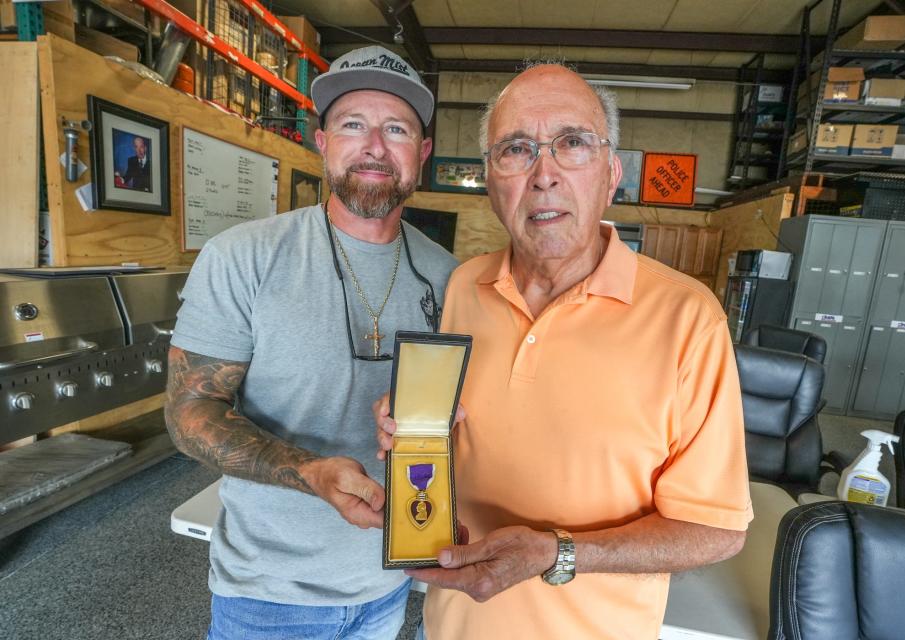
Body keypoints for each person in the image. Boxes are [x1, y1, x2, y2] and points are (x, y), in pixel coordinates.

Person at [376, 63, 754, 639]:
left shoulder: (688, 318)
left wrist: (559, 552)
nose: (543, 174)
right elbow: (462, 437)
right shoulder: (463, 288)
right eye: (517, 149)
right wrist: (413, 427)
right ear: (490, 180)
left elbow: (716, 529)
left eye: (572, 143)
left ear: (611, 173)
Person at [165, 45, 458, 640]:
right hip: (268, 595)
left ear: (421, 154)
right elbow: (190, 410)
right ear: (322, 142)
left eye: (396, 128)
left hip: (389, 585)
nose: (375, 145)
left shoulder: (450, 276)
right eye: (353, 124)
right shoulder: (244, 256)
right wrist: (310, 472)